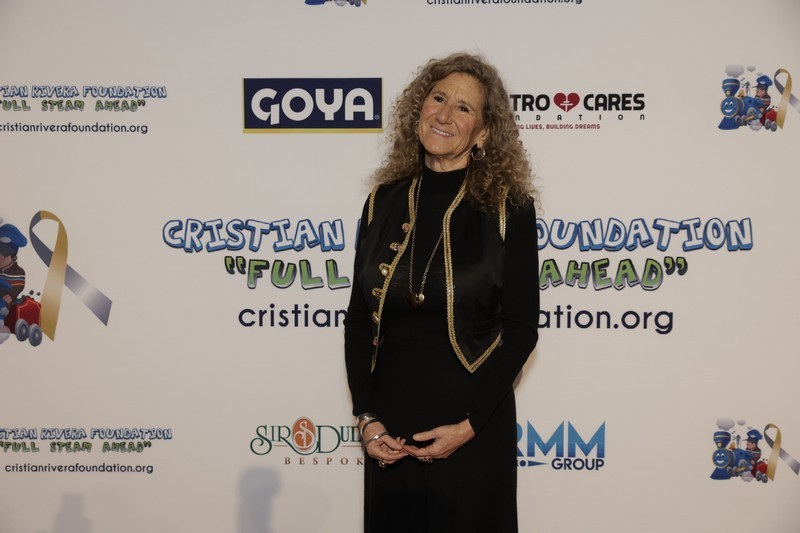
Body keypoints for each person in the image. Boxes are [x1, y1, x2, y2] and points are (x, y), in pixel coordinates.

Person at [344, 52, 539, 533]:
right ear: (419, 109)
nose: (445, 115)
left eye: (464, 108)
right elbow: (358, 319)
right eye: (438, 98)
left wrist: (470, 425)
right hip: (391, 429)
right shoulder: (381, 201)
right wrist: (367, 418)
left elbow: (520, 329)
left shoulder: (509, 207)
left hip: (473, 423)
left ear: (484, 133)